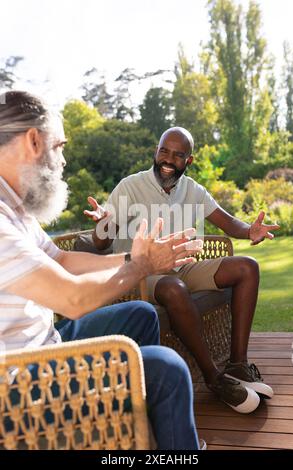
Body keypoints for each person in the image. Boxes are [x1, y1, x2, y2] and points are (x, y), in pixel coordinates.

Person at [0, 91, 203, 450]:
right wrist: (143, 265)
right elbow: (73, 298)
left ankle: (135, 433)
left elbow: (61, 260)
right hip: (15, 384)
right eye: (58, 147)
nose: (62, 160)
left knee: (141, 314)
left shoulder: (15, 209)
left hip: (42, 345)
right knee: (167, 370)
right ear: (33, 141)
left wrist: (135, 259)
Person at [86, 126, 280, 414]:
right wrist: (103, 221)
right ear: (156, 151)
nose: (168, 159)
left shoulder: (193, 190)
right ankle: (215, 378)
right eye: (164, 151)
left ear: (188, 161)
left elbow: (228, 223)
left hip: (181, 267)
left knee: (247, 268)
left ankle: (238, 365)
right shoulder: (130, 186)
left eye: (177, 155)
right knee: (173, 287)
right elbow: (101, 242)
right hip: (139, 274)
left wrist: (249, 230)